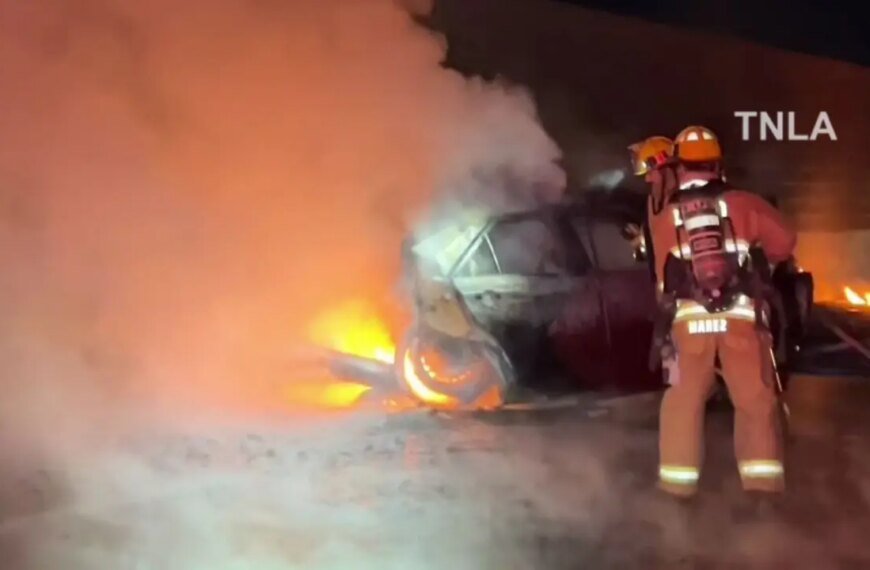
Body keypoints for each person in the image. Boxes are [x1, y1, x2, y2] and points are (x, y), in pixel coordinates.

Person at [649, 125, 796, 500]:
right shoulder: (746, 203)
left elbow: (663, 274)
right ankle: (761, 488)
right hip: (741, 320)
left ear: (680, 168)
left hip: (688, 322)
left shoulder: (666, 215)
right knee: (754, 400)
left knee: (683, 401)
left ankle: (676, 488)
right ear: (718, 164)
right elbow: (785, 241)